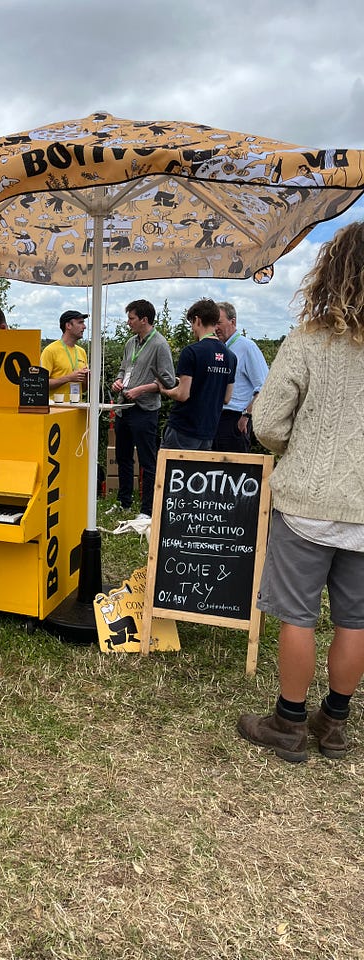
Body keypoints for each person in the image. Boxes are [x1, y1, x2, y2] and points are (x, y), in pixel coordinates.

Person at [237, 221, 364, 763]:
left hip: (305, 503)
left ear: (329, 272)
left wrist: (298, 446)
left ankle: (288, 723)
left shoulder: (309, 340)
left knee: (298, 616)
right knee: (356, 620)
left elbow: (266, 422)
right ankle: (334, 724)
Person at [109, 299, 176, 519]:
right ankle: (124, 501)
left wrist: (141, 390)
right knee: (123, 456)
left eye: (131, 318)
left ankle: (147, 510)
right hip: (123, 407)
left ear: (144, 320)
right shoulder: (131, 343)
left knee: (147, 460)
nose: (128, 322)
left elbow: (168, 381)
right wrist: (118, 382)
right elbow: (123, 368)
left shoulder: (159, 344)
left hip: (144, 410)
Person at [159, 298, 236, 450]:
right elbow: (226, 398)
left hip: (183, 429)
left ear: (197, 320)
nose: (192, 329)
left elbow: (183, 394)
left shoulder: (191, 352)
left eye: (191, 324)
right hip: (208, 431)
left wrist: (165, 390)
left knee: (171, 472)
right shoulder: (230, 356)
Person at [212, 301, 269, 453]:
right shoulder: (217, 348)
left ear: (233, 321)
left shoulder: (247, 347)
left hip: (235, 420)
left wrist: (246, 417)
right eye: (213, 323)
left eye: (219, 323)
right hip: (214, 418)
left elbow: (264, 387)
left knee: (233, 472)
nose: (215, 328)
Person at [40, 309, 90, 401]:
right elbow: (41, 384)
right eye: (80, 323)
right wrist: (69, 378)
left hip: (77, 408)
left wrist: (87, 378)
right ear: (68, 325)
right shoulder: (50, 351)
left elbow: (84, 389)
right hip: (56, 409)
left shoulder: (81, 351)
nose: (84, 327)